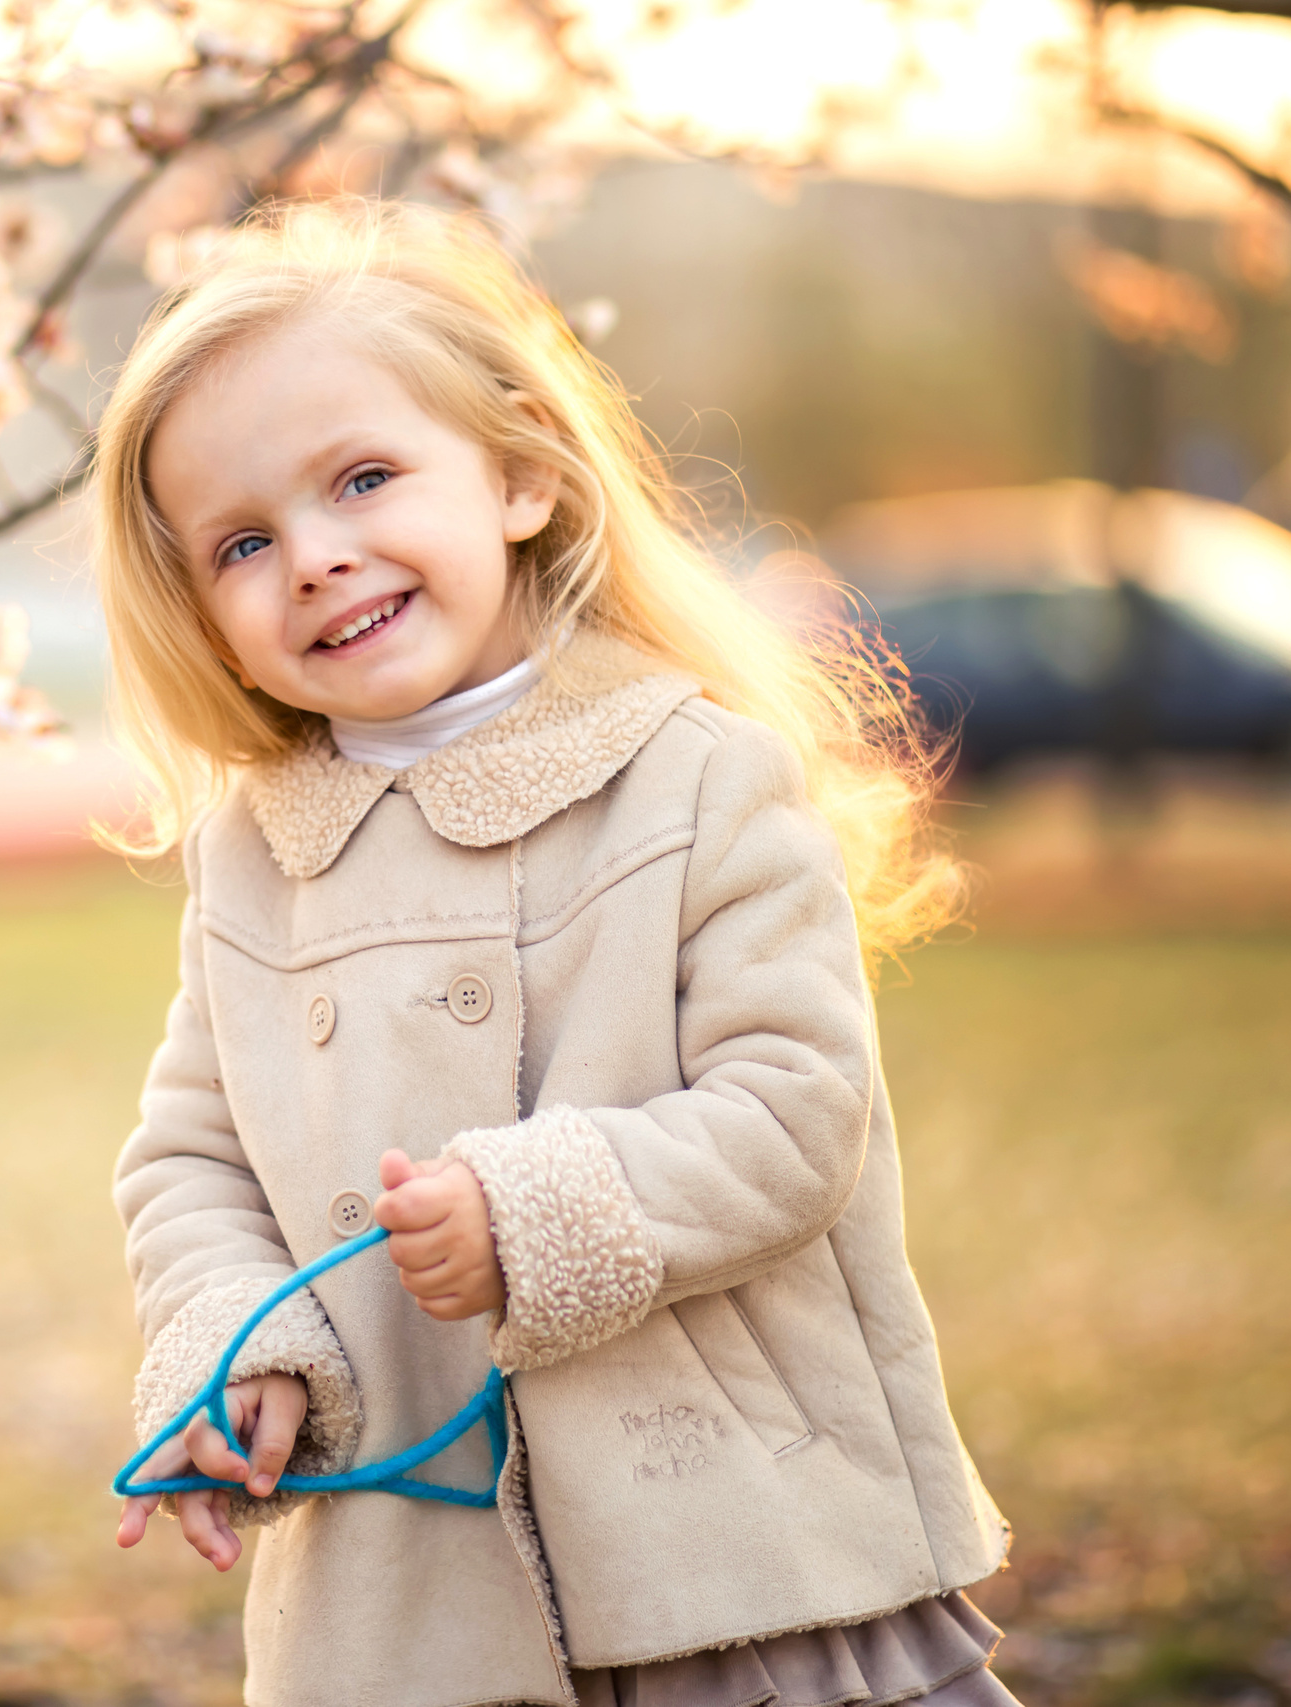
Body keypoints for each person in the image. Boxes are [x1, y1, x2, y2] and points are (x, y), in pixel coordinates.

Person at [96, 198, 1015, 1707]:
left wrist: (534, 1217)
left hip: (719, 1555)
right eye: (244, 541)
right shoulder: (256, 853)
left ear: (520, 474)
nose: (315, 558)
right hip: (407, 1601)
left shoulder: (693, 775)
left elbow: (797, 1112)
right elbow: (193, 1157)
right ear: (200, 613)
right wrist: (237, 1351)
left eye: (364, 479)